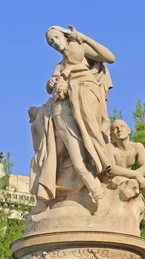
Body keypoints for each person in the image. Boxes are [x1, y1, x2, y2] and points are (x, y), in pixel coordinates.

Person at [28, 25, 115, 216]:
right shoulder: (58, 67)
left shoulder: (79, 48)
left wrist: (82, 36)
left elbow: (109, 57)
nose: (54, 44)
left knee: (78, 160)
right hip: (58, 112)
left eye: (56, 38)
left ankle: (100, 198)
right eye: (50, 43)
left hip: (79, 109)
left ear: (64, 35)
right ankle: (44, 199)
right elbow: (51, 87)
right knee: (47, 157)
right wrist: (50, 84)